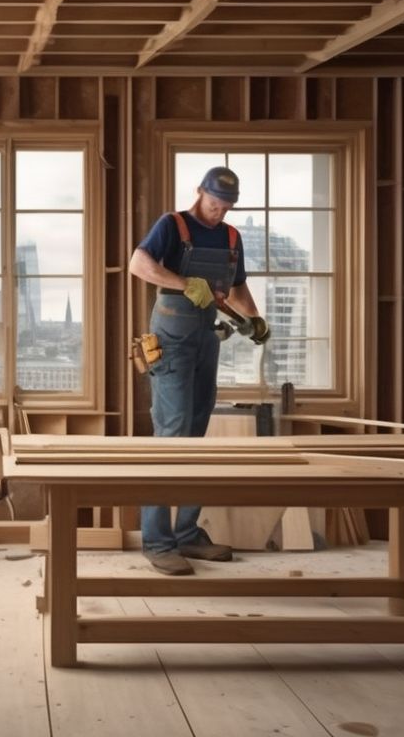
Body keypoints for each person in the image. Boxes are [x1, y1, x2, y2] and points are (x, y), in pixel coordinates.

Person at [128, 166, 270, 576]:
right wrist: (184, 283)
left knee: (195, 432)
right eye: (214, 203)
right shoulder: (172, 225)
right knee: (171, 435)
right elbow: (139, 263)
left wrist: (254, 318)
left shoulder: (231, 237)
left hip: (207, 335)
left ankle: (187, 533)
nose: (218, 212)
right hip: (171, 335)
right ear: (199, 193)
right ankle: (157, 541)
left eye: (225, 207)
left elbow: (236, 287)